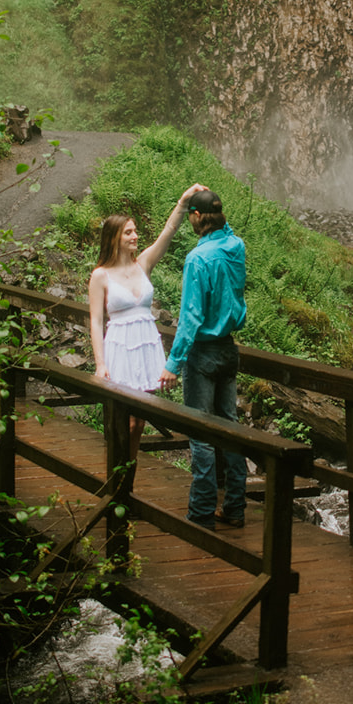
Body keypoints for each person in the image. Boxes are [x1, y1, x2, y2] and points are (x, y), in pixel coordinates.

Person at [88, 184, 204, 457]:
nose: (135, 236)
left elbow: (168, 232)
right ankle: (116, 472)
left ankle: (128, 474)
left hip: (144, 346)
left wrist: (183, 202)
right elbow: (95, 321)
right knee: (124, 421)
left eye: (135, 230)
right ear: (114, 237)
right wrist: (100, 363)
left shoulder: (143, 264)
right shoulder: (101, 276)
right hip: (120, 348)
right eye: (128, 232)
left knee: (139, 421)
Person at [158, 187, 248, 530]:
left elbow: (191, 317)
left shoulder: (198, 259)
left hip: (204, 353)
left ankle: (201, 514)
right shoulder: (235, 246)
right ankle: (236, 508)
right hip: (228, 348)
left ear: (196, 216)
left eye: (191, 216)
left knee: (202, 436)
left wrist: (172, 364)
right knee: (230, 428)